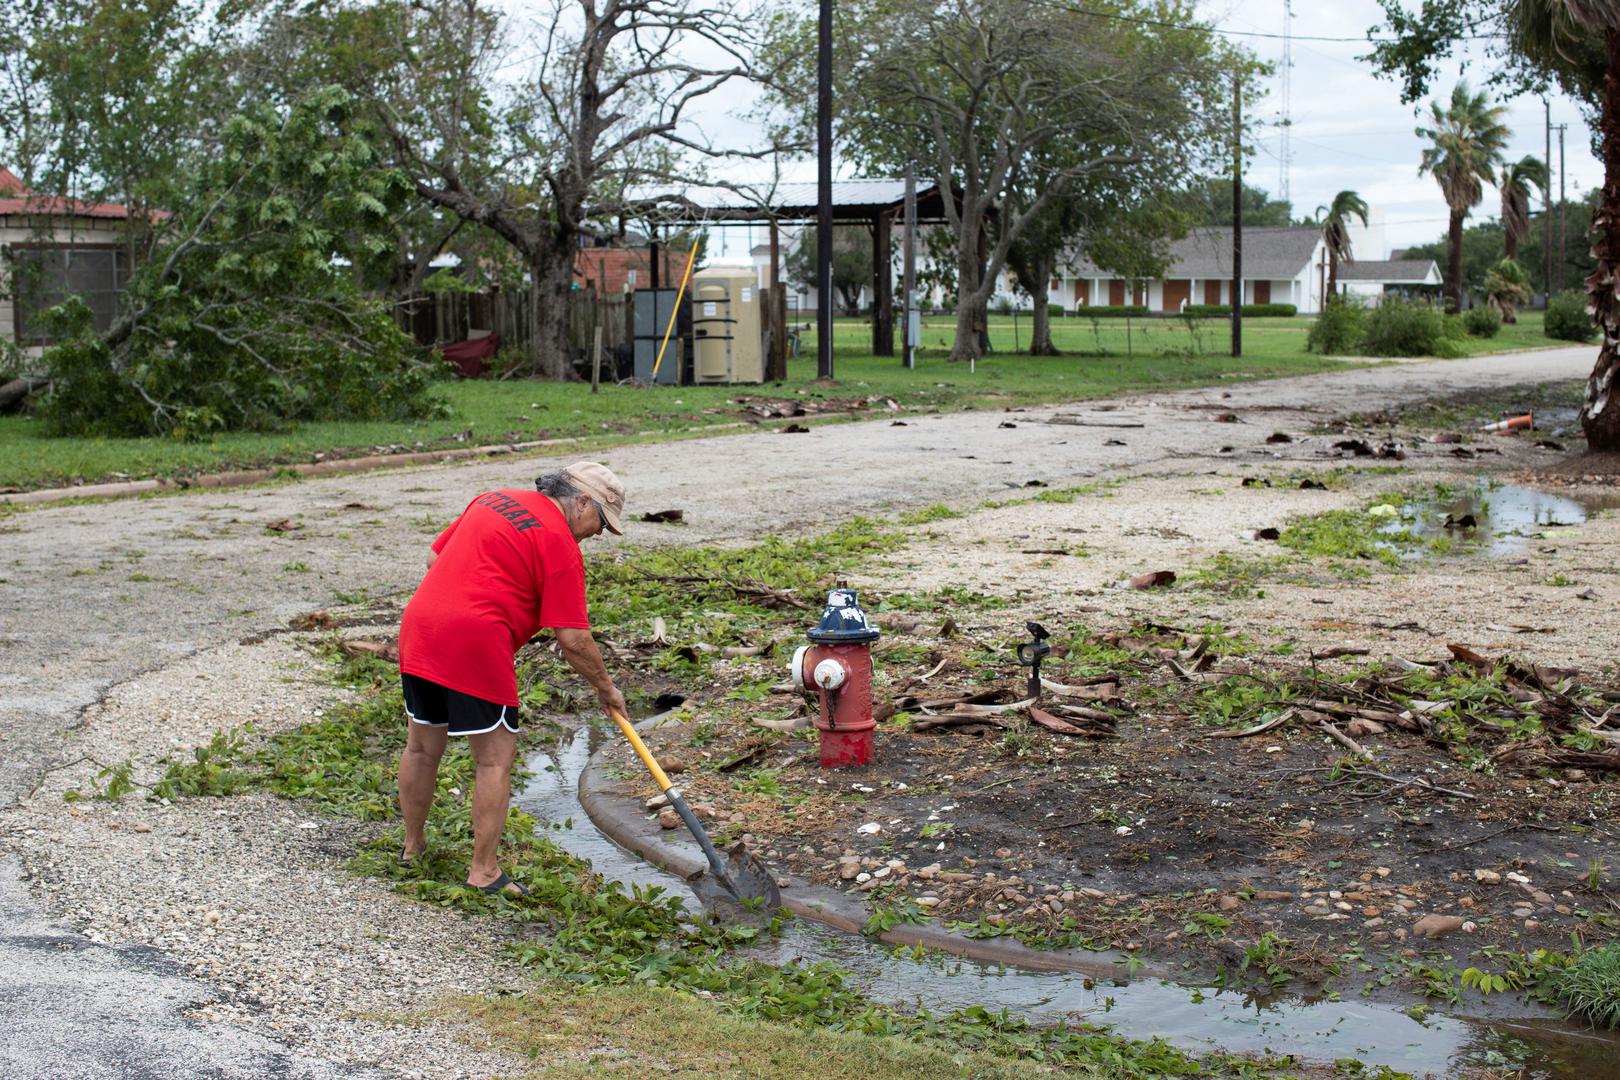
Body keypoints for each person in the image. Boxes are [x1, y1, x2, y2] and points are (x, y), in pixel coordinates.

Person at [395, 461, 629, 895]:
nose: (599, 533)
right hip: (476, 641)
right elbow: (574, 639)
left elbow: (434, 557)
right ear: (581, 501)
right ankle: (483, 872)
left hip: (421, 627)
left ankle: (412, 848)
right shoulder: (561, 546)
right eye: (601, 521)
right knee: (494, 759)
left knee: (422, 748)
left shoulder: (494, 499)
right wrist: (606, 688)